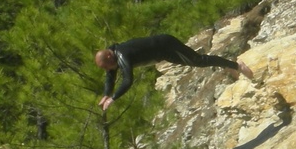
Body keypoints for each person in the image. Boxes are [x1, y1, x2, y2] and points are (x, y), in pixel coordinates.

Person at [94, 34, 253, 110]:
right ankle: (232, 66)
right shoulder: (113, 55)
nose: (110, 69)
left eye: (109, 65)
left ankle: (237, 66)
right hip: (162, 53)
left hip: (166, 44)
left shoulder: (122, 55)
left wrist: (113, 98)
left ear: (109, 55)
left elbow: (127, 80)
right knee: (197, 62)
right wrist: (106, 94)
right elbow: (110, 75)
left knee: (198, 60)